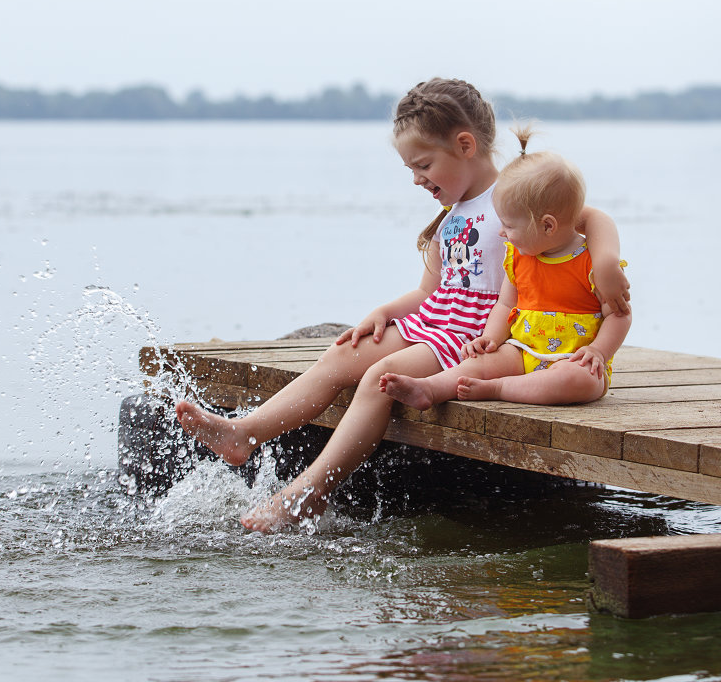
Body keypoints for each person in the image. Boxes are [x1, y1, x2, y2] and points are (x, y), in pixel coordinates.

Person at [175, 79, 629, 532]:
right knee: (340, 355)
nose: (416, 178)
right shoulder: (451, 218)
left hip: (472, 335)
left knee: (379, 378)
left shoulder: (514, 195)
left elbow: (588, 216)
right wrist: (386, 311)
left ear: (465, 145)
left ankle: (310, 492)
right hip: (435, 320)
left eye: (424, 164)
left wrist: (606, 262)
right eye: (410, 168)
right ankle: (244, 434)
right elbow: (429, 290)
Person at [380, 137, 631, 410]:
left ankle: (498, 388)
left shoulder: (589, 262)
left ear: (547, 226)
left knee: (577, 380)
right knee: (481, 362)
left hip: (573, 359)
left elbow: (619, 315)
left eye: (509, 226)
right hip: (521, 350)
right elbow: (505, 304)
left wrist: (599, 351)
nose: (502, 233)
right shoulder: (518, 258)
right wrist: (491, 337)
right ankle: (431, 387)